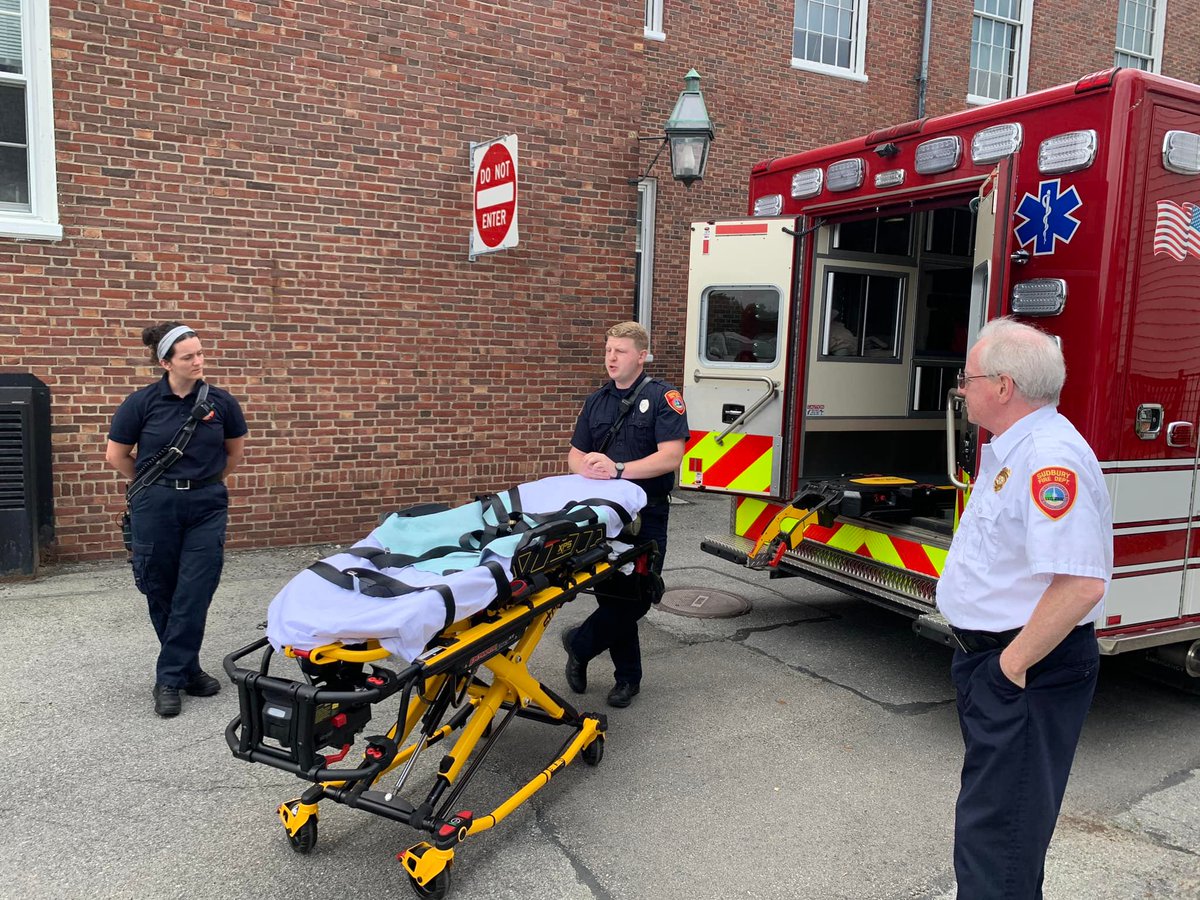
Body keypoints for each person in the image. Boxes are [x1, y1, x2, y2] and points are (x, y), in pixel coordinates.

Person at [936, 317, 1112, 899]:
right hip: (1002, 666)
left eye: (969, 377)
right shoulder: (1015, 448)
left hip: (1025, 670)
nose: (962, 388)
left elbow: (1081, 583)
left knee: (999, 842)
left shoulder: (1049, 458)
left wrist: (1009, 669)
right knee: (994, 830)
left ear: (1004, 386)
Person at [105, 322, 248, 718]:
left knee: (195, 589)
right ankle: (187, 669)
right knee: (160, 586)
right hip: (156, 505)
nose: (199, 361)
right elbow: (116, 456)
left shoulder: (221, 402)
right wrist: (156, 485)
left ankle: (168, 677)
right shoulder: (141, 403)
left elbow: (233, 453)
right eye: (189, 357)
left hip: (206, 505)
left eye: (201, 353)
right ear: (166, 362)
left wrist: (205, 483)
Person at [562, 321, 689, 708]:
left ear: (642, 355)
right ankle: (627, 680)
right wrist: (589, 467)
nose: (611, 358)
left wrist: (617, 469)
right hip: (604, 517)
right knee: (613, 594)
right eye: (608, 350)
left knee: (639, 596)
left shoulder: (664, 397)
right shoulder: (597, 400)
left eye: (620, 351)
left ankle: (580, 644)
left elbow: (671, 456)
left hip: (646, 514)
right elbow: (575, 455)